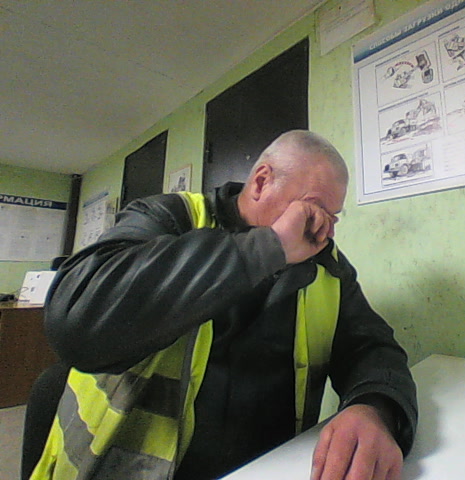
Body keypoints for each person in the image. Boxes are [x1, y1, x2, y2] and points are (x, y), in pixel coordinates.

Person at [33, 130, 418, 480]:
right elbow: (77, 321)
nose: (325, 231)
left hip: (271, 468)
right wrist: (269, 247)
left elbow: (371, 346)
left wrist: (374, 407)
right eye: (312, 209)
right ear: (262, 181)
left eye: (333, 217)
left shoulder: (326, 264)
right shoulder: (170, 217)